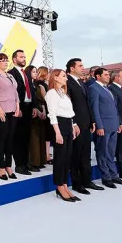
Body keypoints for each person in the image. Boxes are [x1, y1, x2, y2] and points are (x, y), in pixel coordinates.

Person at [88, 68, 122, 189]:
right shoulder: (93, 88)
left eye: (108, 74)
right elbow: (94, 109)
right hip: (103, 126)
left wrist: (119, 123)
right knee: (102, 152)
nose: (108, 76)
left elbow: (114, 108)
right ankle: (106, 177)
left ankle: (114, 175)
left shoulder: (107, 88)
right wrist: (99, 125)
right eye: (105, 74)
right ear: (98, 76)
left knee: (111, 152)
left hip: (113, 125)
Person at [66, 59, 102, 194]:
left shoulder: (81, 82)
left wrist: (92, 120)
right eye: (80, 66)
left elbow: (88, 103)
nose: (83, 68)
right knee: (76, 154)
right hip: (76, 124)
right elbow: (68, 105)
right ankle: (77, 183)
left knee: (86, 154)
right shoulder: (67, 82)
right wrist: (74, 122)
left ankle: (87, 181)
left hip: (86, 123)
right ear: (72, 68)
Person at [45, 69, 79, 202]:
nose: (66, 78)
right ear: (55, 78)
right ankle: (59, 186)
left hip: (68, 125)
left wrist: (73, 126)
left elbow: (70, 112)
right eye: (63, 76)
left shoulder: (64, 94)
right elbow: (52, 114)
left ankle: (65, 185)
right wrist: (57, 133)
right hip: (58, 125)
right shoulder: (51, 93)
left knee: (67, 157)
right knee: (60, 158)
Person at [0, 53, 20, 180]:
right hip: (0, 110)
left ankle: (8, 165)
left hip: (12, 109)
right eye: (3, 60)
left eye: (7, 60)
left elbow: (15, 92)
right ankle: (1, 166)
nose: (6, 62)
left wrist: (18, 106)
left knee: (10, 138)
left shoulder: (10, 76)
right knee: (2, 138)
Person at [7, 50, 36, 175]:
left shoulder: (26, 74)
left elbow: (31, 92)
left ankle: (26, 162)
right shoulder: (10, 74)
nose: (24, 58)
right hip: (19, 108)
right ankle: (19, 165)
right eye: (21, 57)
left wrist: (34, 106)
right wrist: (16, 108)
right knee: (18, 137)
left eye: (24, 56)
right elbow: (11, 93)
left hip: (29, 107)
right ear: (14, 59)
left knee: (26, 136)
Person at [26, 65, 47, 170]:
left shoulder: (37, 85)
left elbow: (43, 100)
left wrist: (43, 110)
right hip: (32, 113)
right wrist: (37, 111)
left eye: (36, 71)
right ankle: (33, 162)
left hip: (41, 113)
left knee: (41, 137)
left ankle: (40, 161)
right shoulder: (27, 85)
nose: (35, 73)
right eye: (33, 72)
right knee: (34, 139)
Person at [35, 67, 53, 165]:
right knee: (47, 135)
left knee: (47, 135)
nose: (49, 75)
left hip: (45, 111)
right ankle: (46, 156)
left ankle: (46, 154)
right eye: (48, 73)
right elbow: (46, 99)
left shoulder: (42, 84)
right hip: (45, 111)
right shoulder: (41, 85)